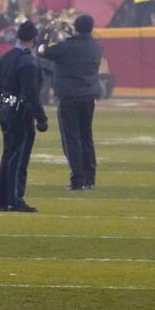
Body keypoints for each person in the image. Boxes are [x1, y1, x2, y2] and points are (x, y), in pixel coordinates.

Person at [38, 14, 102, 190]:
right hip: (88, 96)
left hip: (68, 96)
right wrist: (72, 33)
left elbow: (42, 50)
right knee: (86, 136)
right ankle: (90, 177)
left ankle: (77, 178)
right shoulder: (96, 46)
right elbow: (81, 44)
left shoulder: (66, 47)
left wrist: (47, 31)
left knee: (71, 138)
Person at [0, 20, 48, 212]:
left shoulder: (6, 57)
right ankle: (15, 199)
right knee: (19, 157)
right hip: (20, 112)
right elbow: (31, 94)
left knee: (8, 154)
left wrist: (1, 106)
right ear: (33, 39)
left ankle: (2, 199)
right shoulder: (28, 62)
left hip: (5, 108)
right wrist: (41, 118)